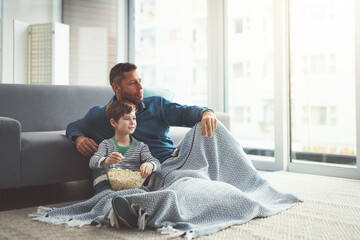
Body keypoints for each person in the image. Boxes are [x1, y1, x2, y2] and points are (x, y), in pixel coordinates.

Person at [66, 62, 217, 163]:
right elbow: (73, 126)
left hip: (176, 159)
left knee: (217, 130)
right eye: (132, 83)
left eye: (140, 81)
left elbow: (186, 113)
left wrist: (207, 113)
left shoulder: (157, 105)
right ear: (116, 88)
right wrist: (78, 138)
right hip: (152, 171)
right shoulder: (101, 115)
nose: (140, 87)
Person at [89, 100, 161, 195]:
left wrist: (150, 165)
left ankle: (128, 207)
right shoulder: (106, 144)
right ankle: (113, 207)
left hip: (132, 186)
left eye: (134, 118)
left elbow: (157, 163)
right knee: (106, 196)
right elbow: (92, 162)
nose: (132, 122)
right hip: (107, 185)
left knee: (143, 195)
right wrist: (107, 161)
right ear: (114, 122)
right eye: (127, 119)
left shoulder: (141, 146)